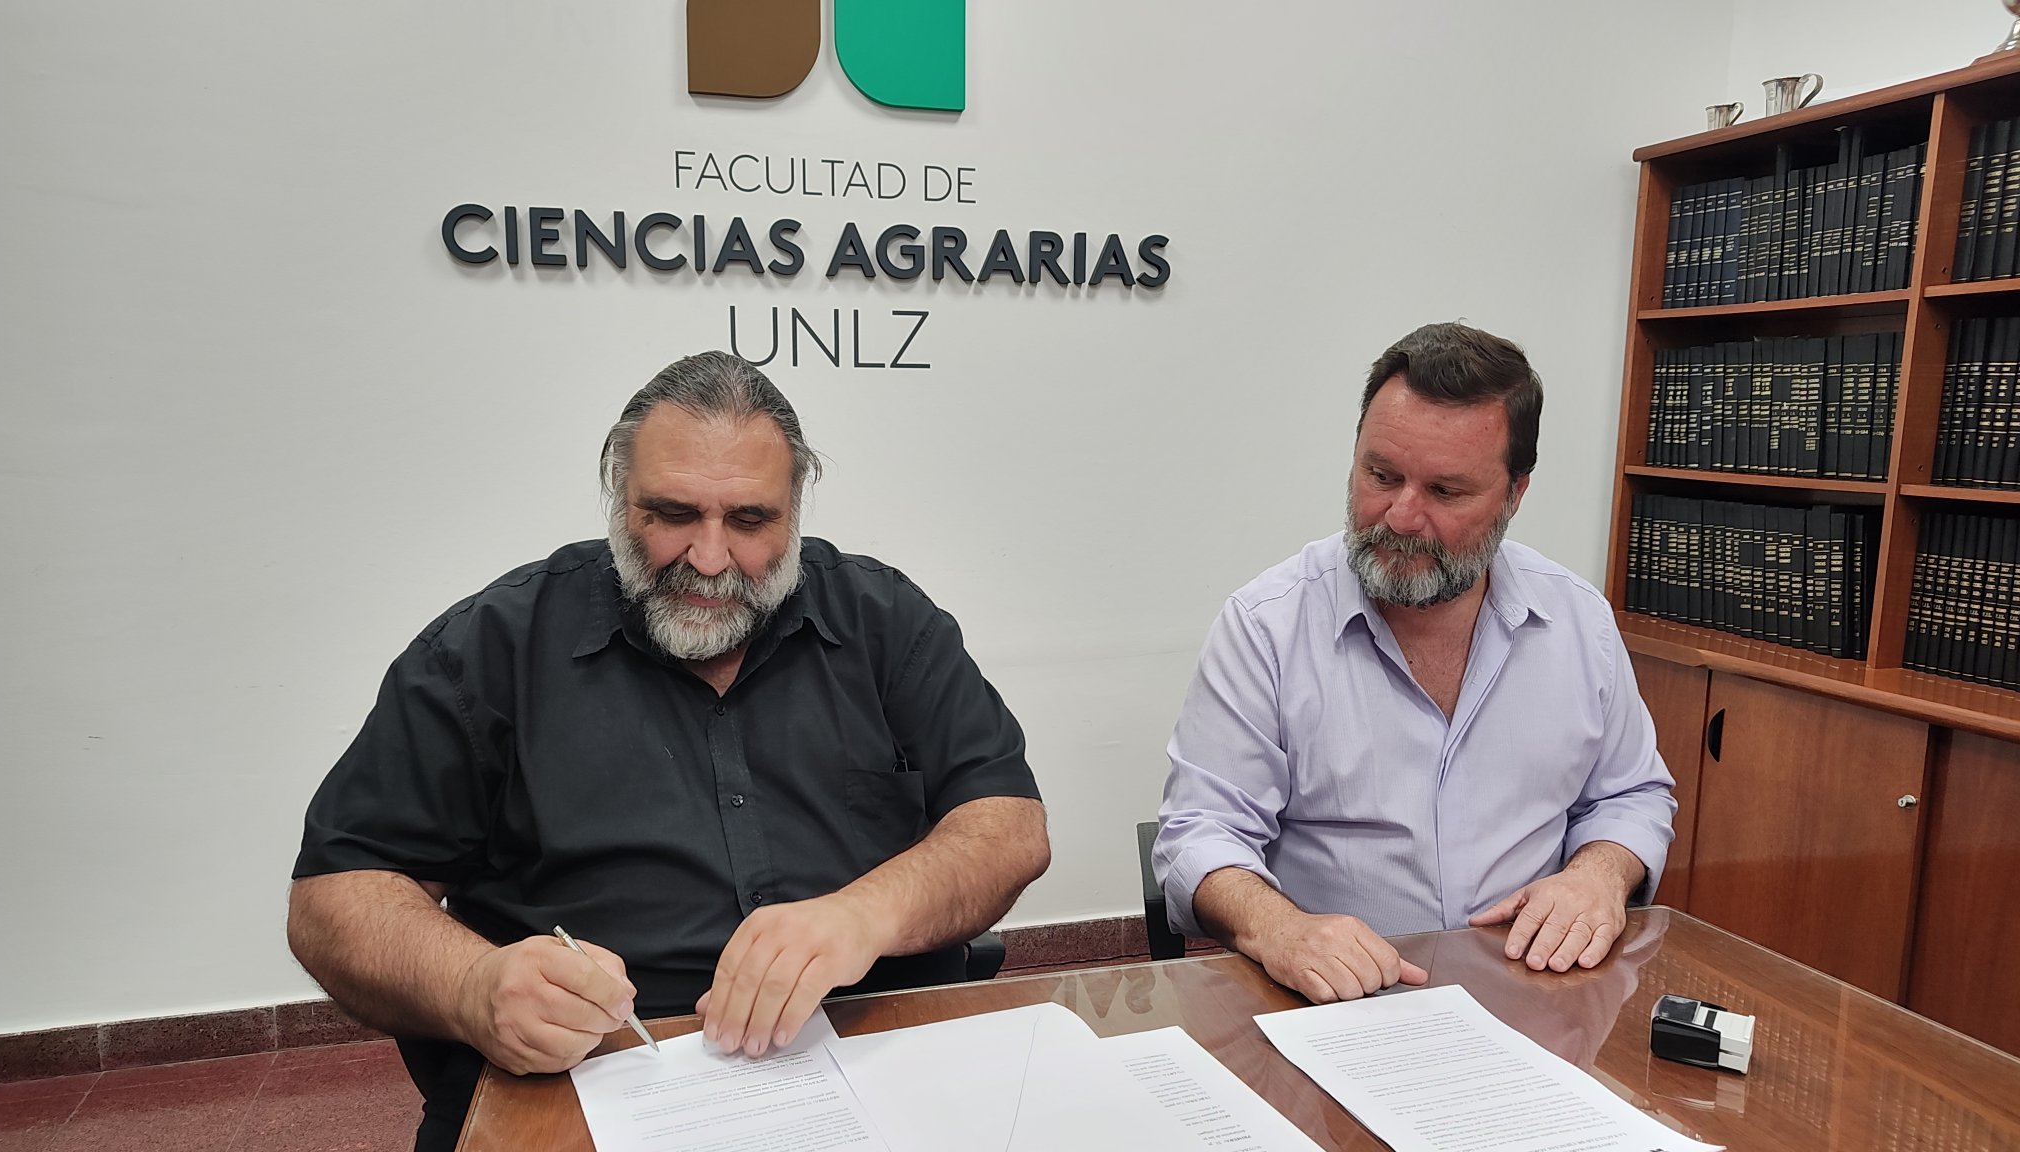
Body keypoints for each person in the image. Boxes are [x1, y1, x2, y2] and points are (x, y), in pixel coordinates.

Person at [287, 351, 1050, 1152]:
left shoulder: (884, 621)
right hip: (599, 1080)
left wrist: (867, 913)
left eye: (749, 521)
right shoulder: (489, 650)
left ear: (794, 511)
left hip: (878, 1060)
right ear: (619, 496)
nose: (710, 559)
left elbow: (1007, 825)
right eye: (673, 514)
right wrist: (472, 986)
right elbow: (336, 897)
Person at [1152, 322, 1674, 1005]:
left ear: (1515, 493)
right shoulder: (1268, 626)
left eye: (1445, 491)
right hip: (1337, 1003)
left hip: (1535, 995)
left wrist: (1598, 875)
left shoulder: (1578, 622)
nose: (1400, 516)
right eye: (1382, 476)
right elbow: (1200, 831)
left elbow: (1631, 794)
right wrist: (1279, 929)